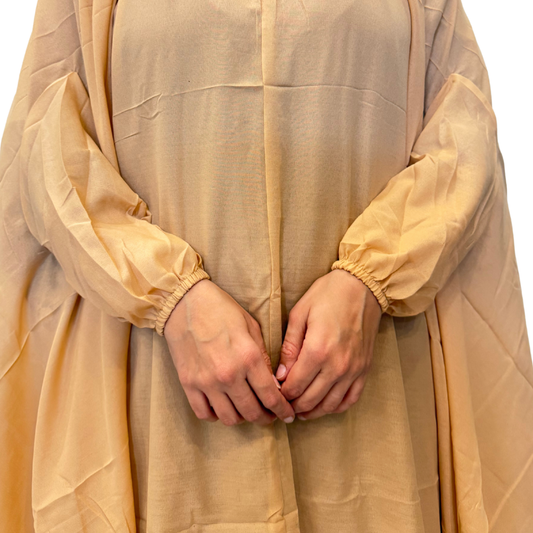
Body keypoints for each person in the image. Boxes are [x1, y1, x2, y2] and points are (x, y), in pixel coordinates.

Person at [1, 0, 532, 531]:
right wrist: (171, 297)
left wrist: (367, 283)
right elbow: (47, 144)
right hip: (154, 400)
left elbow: (463, 135)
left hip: (373, 401)